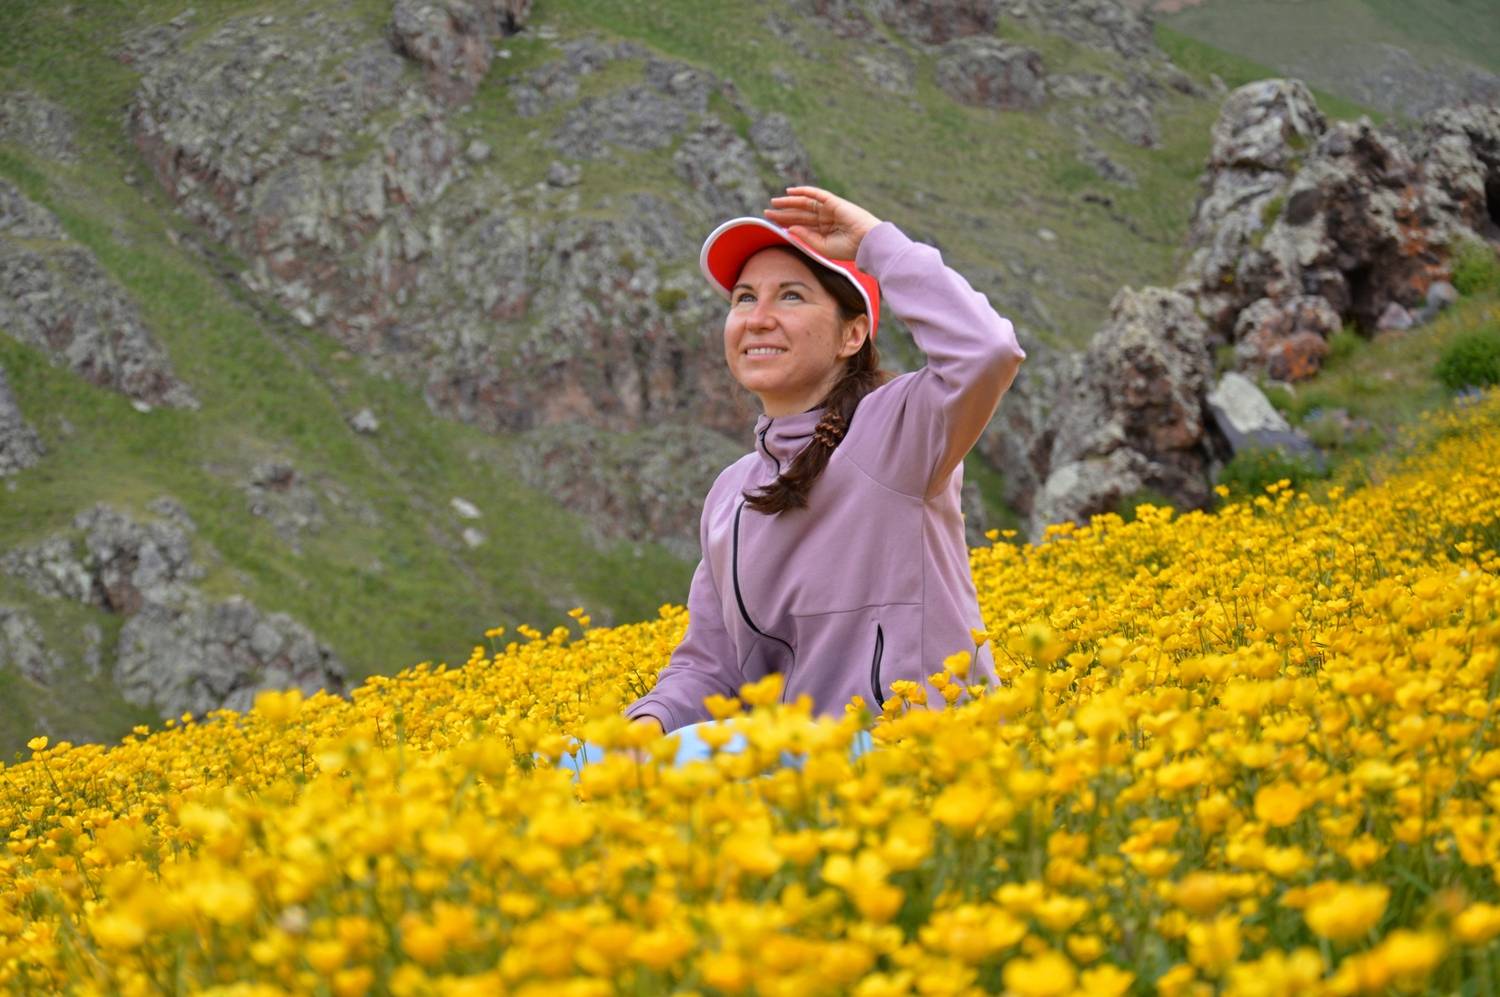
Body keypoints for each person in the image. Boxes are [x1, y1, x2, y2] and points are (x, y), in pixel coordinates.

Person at [617, 185, 1026, 746]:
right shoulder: (731, 493)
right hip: (799, 773)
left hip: (921, 752)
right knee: (579, 769)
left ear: (852, 334)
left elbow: (987, 351)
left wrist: (875, 242)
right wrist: (646, 726)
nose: (758, 319)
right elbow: (711, 667)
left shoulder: (897, 433)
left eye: (790, 297)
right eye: (743, 299)